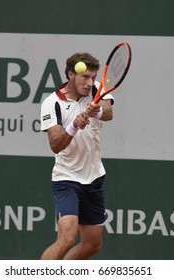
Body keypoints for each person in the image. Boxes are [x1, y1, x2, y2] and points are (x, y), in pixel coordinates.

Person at [40, 52, 114, 259]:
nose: (90, 82)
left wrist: (96, 111)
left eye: (93, 77)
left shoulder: (95, 89)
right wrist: (73, 126)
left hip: (94, 178)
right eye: (85, 77)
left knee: (92, 244)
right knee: (67, 239)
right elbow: (55, 145)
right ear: (71, 74)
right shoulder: (52, 103)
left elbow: (108, 113)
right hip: (67, 179)